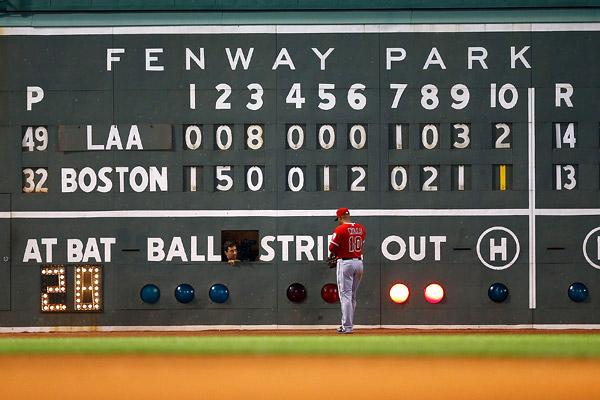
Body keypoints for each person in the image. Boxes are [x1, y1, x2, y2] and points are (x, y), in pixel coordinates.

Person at [328, 207, 366, 334]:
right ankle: (348, 324)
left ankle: (347, 326)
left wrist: (335, 254)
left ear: (340, 218)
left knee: (345, 295)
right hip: (359, 263)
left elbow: (332, 247)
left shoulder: (340, 229)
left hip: (346, 263)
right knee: (352, 295)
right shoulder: (361, 228)